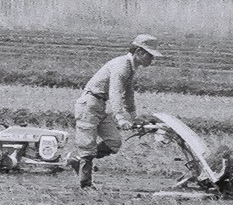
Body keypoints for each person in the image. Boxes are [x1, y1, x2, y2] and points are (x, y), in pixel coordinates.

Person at [69, 35, 163, 188]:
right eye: (150, 55)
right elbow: (115, 92)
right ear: (139, 51)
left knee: (114, 142)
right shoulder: (121, 65)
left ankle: (76, 161)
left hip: (99, 105)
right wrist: (120, 117)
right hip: (89, 104)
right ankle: (85, 184)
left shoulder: (131, 69)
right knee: (88, 146)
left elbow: (129, 94)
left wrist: (134, 116)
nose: (151, 59)